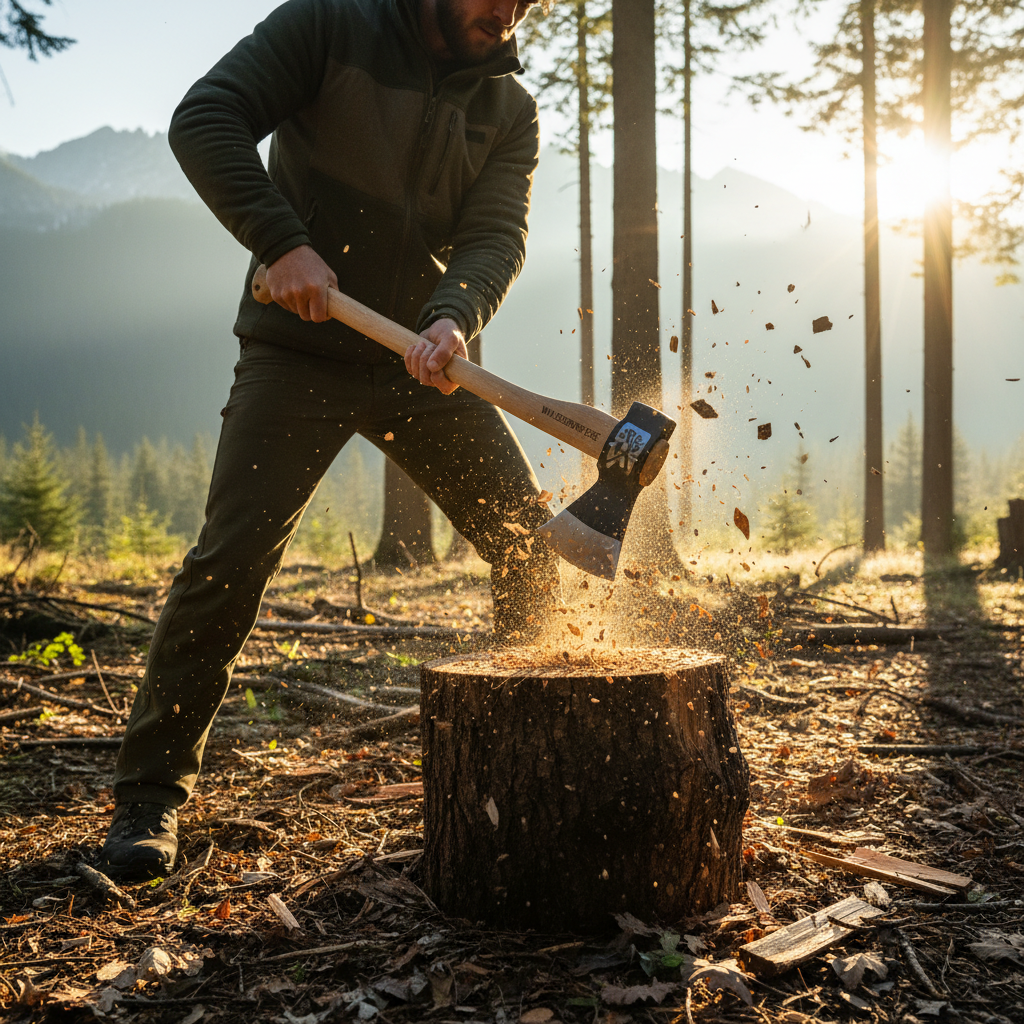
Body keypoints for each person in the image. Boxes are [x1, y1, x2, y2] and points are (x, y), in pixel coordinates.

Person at [99, 0, 559, 881]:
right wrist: (283, 243)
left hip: (421, 363)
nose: (506, 9)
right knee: (228, 562)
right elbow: (204, 117)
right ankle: (149, 796)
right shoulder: (329, 23)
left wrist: (455, 317)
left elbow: (496, 233)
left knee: (527, 544)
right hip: (295, 350)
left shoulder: (508, 107)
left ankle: (526, 783)